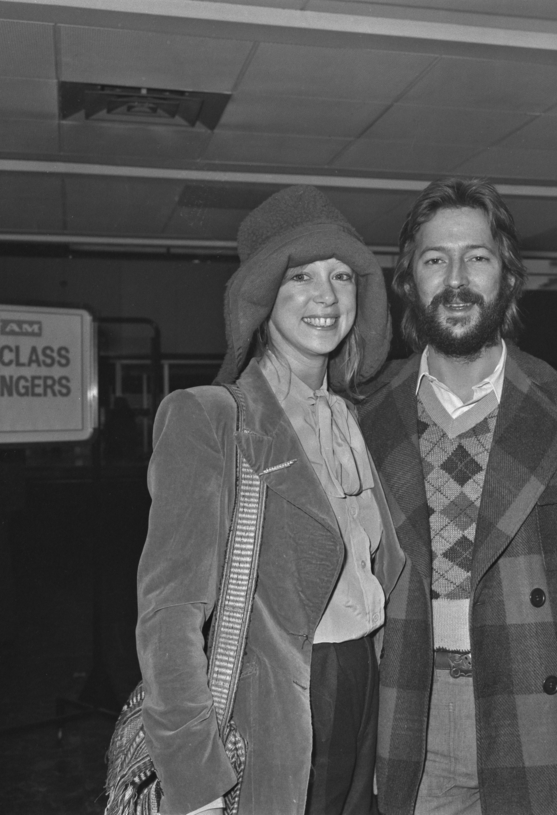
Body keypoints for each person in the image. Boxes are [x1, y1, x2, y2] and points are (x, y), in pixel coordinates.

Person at [358, 178, 557, 815]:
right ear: (410, 280)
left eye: (478, 257)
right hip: (413, 712)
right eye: (436, 259)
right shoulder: (365, 414)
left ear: (506, 276)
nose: (457, 278)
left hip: (539, 712)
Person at [135, 185, 405, 815]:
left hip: (366, 684)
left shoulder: (354, 420)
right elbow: (169, 610)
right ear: (261, 297)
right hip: (279, 708)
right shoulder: (210, 418)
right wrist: (193, 776)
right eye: (301, 277)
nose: (327, 296)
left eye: (342, 276)